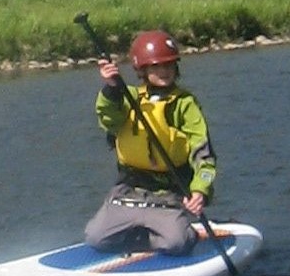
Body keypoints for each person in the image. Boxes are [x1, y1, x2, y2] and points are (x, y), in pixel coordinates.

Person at [83, 29, 217, 254]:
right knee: (95, 238)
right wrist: (111, 89)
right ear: (142, 70)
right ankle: (142, 232)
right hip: (129, 192)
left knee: (176, 244)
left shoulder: (184, 104)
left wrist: (200, 191)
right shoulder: (129, 97)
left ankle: (182, 231)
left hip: (168, 194)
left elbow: (204, 155)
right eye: (156, 66)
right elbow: (109, 117)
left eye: (169, 66)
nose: (164, 71)